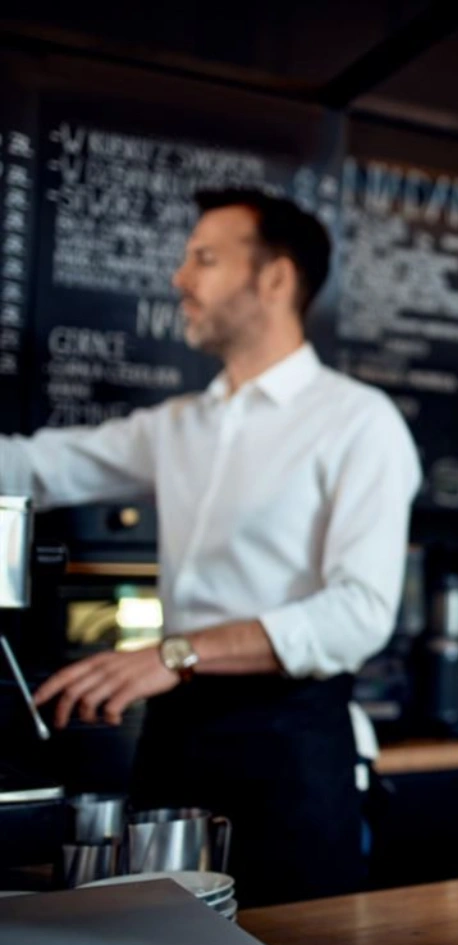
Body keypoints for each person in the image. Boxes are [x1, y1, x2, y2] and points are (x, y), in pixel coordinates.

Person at [2, 188, 421, 906]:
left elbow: (359, 613)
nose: (179, 279)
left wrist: (174, 654)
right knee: (154, 938)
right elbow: (32, 464)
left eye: (204, 259)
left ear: (275, 279)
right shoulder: (178, 425)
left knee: (296, 944)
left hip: (291, 742)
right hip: (173, 737)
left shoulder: (360, 422)